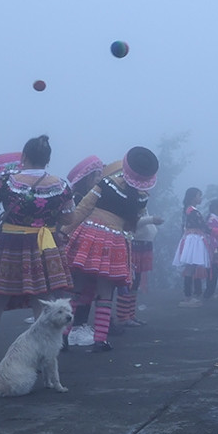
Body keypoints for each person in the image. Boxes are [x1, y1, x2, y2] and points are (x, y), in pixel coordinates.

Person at [0, 135, 73, 373]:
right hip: (42, 246)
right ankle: (40, 358)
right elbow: (69, 217)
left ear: (23, 157)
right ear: (48, 160)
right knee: (41, 299)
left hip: (10, 243)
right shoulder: (61, 186)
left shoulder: (7, 181)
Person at [61, 149, 160, 351]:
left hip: (88, 238)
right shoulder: (142, 198)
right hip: (115, 243)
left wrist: (64, 232)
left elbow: (81, 210)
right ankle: (100, 339)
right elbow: (133, 225)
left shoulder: (105, 184)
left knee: (76, 290)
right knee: (105, 293)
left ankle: (62, 336)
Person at [124, 211, 164, 327]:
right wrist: (151, 220)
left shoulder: (142, 202)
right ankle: (123, 316)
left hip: (143, 244)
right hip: (135, 243)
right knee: (129, 282)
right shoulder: (133, 201)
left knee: (136, 282)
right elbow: (131, 222)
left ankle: (131, 315)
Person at [172, 189, 212, 304]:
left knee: (191, 267)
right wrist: (216, 231)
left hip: (191, 238)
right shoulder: (193, 211)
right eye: (199, 196)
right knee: (190, 267)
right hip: (193, 239)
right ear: (193, 197)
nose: (201, 198)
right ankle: (187, 296)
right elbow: (203, 226)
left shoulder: (188, 210)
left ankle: (188, 295)